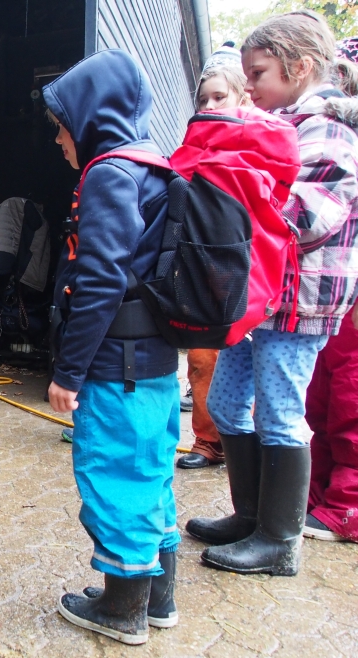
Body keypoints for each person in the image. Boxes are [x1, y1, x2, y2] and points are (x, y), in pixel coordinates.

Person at [187, 11, 358, 575]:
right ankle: (250, 516)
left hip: (300, 300)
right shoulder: (283, 124)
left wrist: (239, 192)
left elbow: (313, 216)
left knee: (282, 412)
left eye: (257, 74)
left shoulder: (329, 129)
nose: (251, 87)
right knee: (231, 404)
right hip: (261, 297)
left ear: (300, 66)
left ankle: (280, 542)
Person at [44, 49, 179, 646]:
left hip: (114, 368)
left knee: (116, 476)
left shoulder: (108, 175)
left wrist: (68, 374)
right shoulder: (156, 165)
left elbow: (99, 281)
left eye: (61, 125)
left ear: (91, 117)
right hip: (153, 366)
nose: (58, 140)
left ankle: (123, 608)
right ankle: (160, 599)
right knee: (150, 474)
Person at [178, 43, 253, 470]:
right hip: (208, 269)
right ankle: (208, 442)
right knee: (202, 359)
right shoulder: (195, 147)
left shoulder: (262, 143)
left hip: (253, 272)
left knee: (253, 370)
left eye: (219, 97)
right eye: (203, 99)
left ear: (242, 98)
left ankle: (245, 447)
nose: (209, 105)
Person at [303, 37, 358, 544]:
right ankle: (319, 495)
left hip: (343, 285)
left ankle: (348, 505)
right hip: (333, 291)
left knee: (350, 397)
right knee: (320, 396)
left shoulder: (337, 135)